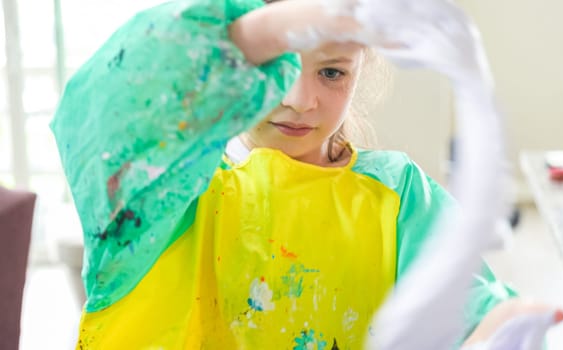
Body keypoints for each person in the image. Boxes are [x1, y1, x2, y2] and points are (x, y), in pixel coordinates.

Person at [51, 0, 532, 348]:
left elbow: (470, 309)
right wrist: (265, 29)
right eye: (277, 64)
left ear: (362, 67)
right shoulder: (178, 191)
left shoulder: (398, 196)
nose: (300, 101)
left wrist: (499, 328)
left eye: (331, 73)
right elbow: (103, 113)